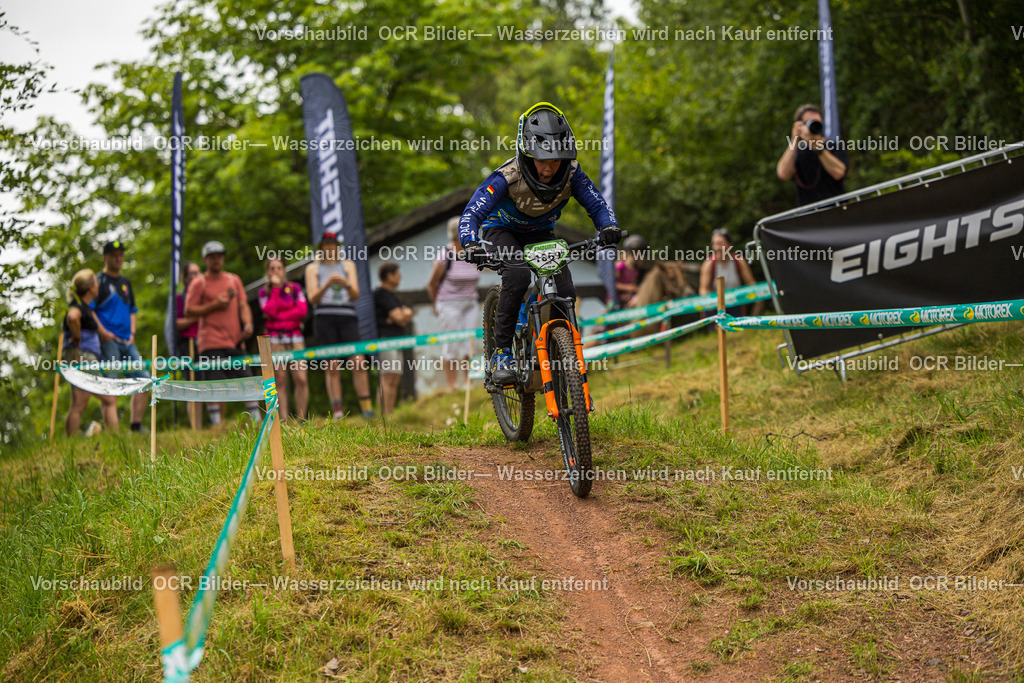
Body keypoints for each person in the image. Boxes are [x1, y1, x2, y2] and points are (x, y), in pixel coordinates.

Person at [459, 102, 620, 384]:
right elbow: (472, 212)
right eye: (542, 160)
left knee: (566, 288)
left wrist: (608, 226)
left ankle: (561, 355)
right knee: (518, 275)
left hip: (541, 233)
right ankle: (502, 353)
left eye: (555, 160)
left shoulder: (572, 173)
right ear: (526, 154)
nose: (548, 169)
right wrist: (471, 243)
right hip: (501, 230)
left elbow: (596, 204)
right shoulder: (506, 177)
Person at [184, 240, 259, 425]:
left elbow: (243, 304)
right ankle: (216, 424)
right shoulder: (198, 282)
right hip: (210, 342)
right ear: (205, 259)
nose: (216, 260)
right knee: (215, 384)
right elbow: (189, 310)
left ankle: (256, 421)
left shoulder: (234, 279)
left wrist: (248, 323)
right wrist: (214, 305)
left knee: (247, 379)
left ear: (223, 258)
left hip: (234, 341)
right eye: (212, 257)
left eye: (219, 256)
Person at [304, 231, 374, 420]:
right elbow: (312, 298)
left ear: (337, 247)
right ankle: (337, 411)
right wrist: (327, 284)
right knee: (332, 364)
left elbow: (356, 294)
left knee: (358, 361)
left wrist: (346, 284)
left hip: (347, 315)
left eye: (333, 244)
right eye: (327, 245)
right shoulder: (313, 268)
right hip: (324, 316)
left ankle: (367, 409)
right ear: (321, 247)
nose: (330, 248)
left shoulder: (347, 265)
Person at [93, 240, 148, 431]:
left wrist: (132, 333)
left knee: (144, 379)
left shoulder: (125, 283)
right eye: (114, 255)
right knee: (110, 385)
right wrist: (103, 333)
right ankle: (113, 433)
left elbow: (133, 310)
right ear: (105, 257)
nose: (118, 258)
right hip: (109, 342)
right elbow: (89, 310)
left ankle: (136, 426)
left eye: (121, 254)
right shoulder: (98, 281)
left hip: (128, 341)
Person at [426, 216, 480, 391]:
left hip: (470, 303)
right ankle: (452, 386)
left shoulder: (473, 251)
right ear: (456, 233)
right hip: (448, 303)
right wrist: (436, 306)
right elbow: (432, 283)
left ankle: (468, 383)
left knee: (469, 343)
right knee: (451, 345)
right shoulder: (446, 254)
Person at [64, 269, 119, 435]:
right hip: (83, 356)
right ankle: (115, 439)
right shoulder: (78, 307)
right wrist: (77, 336)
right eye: (96, 282)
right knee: (107, 398)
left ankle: (71, 440)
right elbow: (72, 317)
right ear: (90, 288)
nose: (98, 285)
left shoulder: (86, 307)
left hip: (82, 355)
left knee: (79, 403)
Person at [258, 258, 309, 421]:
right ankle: (284, 420)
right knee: (279, 379)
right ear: (267, 272)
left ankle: (301, 419)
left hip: (295, 337)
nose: (276, 272)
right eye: (272, 269)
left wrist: (281, 315)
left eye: (279, 268)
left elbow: (302, 311)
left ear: (284, 270)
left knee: (301, 377)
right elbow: (270, 310)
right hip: (275, 339)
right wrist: (275, 290)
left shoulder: (295, 288)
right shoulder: (264, 292)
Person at [776, 103, 848, 206]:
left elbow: (839, 173)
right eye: (809, 123)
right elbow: (783, 174)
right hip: (809, 215)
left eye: (817, 123)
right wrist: (795, 140)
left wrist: (817, 147)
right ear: (799, 125)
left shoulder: (834, 145)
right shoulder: (796, 150)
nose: (814, 126)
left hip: (837, 209)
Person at [373, 262, 414, 416]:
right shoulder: (380, 293)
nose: (400, 277)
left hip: (396, 340)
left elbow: (404, 316)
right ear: (389, 275)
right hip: (386, 340)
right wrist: (402, 315)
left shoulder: (391, 295)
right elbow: (400, 317)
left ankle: (389, 416)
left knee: (394, 378)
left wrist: (403, 316)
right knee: (387, 377)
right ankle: (383, 417)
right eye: (398, 273)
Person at [699, 229, 757, 316]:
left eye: (720, 244)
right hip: (715, 308)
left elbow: (751, 283)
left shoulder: (739, 261)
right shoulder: (709, 264)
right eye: (714, 244)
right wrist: (710, 308)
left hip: (736, 306)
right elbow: (703, 289)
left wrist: (758, 298)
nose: (716, 248)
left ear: (729, 245)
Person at [175, 260, 201, 428]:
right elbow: (176, 324)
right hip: (187, 343)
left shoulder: (203, 296)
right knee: (192, 385)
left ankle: (211, 424)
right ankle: (195, 427)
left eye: (198, 272)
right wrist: (197, 316)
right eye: (192, 273)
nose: (196, 277)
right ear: (184, 277)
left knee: (206, 383)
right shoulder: (179, 298)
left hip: (205, 342)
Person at [615, 234, 649, 308]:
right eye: (641, 253)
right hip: (615, 300)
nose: (643, 257)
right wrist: (628, 287)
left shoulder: (635, 270)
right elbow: (612, 284)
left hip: (627, 299)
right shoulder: (620, 266)